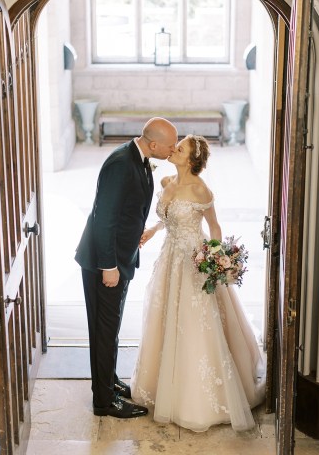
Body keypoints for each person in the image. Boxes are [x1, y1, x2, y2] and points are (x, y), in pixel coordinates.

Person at [130, 134, 266, 432]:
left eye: (180, 149)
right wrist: (153, 230)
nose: (174, 150)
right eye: (176, 147)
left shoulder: (201, 190)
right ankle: (163, 385)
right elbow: (168, 219)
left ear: (191, 160)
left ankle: (198, 399)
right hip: (169, 260)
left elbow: (214, 227)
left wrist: (216, 259)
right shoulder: (166, 182)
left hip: (193, 261)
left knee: (195, 323)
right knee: (164, 318)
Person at [75, 117, 178, 418]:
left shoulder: (140, 158)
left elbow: (127, 210)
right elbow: (104, 217)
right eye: (171, 145)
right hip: (104, 262)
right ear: (154, 143)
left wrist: (136, 237)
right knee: (104, 330)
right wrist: (109, 266)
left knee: (111, 327)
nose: (174, 149)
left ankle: (108, 382)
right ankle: (104, 403)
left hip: (122, 256)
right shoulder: (121, 163)